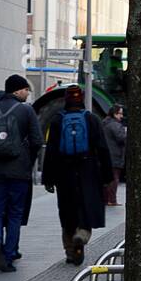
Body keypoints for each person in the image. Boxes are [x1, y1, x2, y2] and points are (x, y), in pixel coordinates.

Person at [42, 85, 112, 267]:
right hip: (88, 171)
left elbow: (50, 151)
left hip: (64, 173)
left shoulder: (57, 121)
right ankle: (81, 236)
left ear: (66, 99)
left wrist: (48, 179)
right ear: (81, 98)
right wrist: (107, 176)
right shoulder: (91, 119)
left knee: (66, 212)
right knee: (86, 209)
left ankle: (70, 252)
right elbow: (103, 148)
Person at [0, 75, 42, 272]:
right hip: (19, 173)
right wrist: (28, 161)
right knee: (15, 214)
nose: (27, 93)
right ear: (16, 91)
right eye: (25, 89)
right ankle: (8, 254)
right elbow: (37, 140)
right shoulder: (27, 111)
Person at [102, 104, 127, 206]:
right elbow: (121, 138)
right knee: (114, 178)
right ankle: (112, 200)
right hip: (115, 155)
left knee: (106, 179)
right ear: (115, 113)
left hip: (106, 155)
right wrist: (126, 133)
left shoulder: (105, 123)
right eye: (120, 113)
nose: (122, 116)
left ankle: (105, 199)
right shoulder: (115, 125)